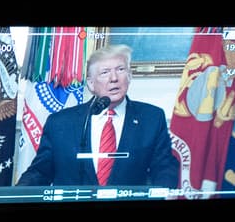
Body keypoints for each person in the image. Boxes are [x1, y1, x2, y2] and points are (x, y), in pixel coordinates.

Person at [16, 44, 180, 189]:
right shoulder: (60, 123)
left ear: (129, 76)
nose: (114, 78)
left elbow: (164, 168)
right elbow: (40, 172)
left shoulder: (151, 118)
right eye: (105, 72)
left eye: (120, 70)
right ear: (91, 83)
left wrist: (160, 193)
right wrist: (14, 195)